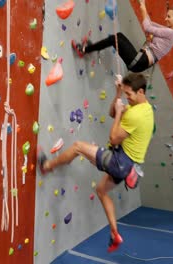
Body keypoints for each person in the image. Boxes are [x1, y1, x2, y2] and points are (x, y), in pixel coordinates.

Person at [37, 73, 154, 253]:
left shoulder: (135, 115)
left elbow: (114, 138)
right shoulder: (145, 109)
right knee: (101, 191)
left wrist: (120, 114)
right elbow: (112, 112)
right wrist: (118, 95)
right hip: (127, 164)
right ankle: (115, 233)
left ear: (140, 91)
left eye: (129, 94)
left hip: (119, 161)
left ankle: (47, 166)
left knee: (77, 147)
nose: (128, 98)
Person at [72, 0, 173, 73]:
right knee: (119, 36)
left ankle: (84, 49)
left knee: (114, 39)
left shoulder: (172, 34)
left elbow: (147, 27)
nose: (166, 19)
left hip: (138, 62)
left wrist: (144, 7)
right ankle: (92, 47)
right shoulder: (169, 31)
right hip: (140, 60)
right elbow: (150, 24)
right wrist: (142, 5)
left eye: (169, 17)